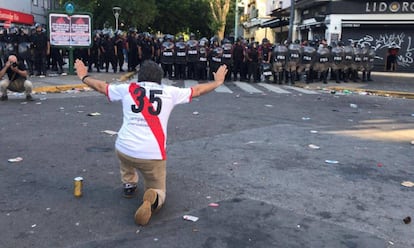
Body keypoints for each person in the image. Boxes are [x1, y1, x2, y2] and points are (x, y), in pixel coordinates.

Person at [74, 59, 227, 226]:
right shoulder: (170, 92)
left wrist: (83, 76)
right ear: (159, 78)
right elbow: (197, 90)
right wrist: (218, 81)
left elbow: (102, 87)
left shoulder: (128, 89)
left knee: (127, 159)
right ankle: (153, 198)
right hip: (151, 154)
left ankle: (129, 184)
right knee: (158, 188)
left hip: (124, 147)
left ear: (139, 77)